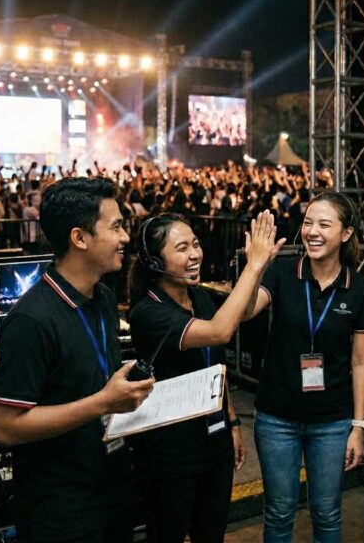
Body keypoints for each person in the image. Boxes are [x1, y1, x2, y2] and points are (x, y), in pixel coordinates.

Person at [0, 177, 155, 543]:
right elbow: (6, 427)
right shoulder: (31, 321)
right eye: (116, 227)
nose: (125, 237)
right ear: (79, 238)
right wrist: (103, 402)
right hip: (61, 510)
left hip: (112, 491)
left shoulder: (104, 299)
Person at [127, 209, 282, 543]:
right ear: (155, 262)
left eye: (195, 244)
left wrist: (232, 422)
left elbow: (215, 367)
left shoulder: (198, 296)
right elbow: (219, 332)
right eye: (182, 248)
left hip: (213, 440)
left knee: (211, 534)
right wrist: (252, 265)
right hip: (172, 451)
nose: (195, 254)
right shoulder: (148, 313)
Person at [241, 191, 364, 542]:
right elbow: (245, 311)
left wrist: (358, 426)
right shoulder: (283, 273)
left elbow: (362, 361)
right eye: (308, 223)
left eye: (324, 225)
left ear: (346, 233)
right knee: (279, 512)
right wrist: (255, 266)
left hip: (332, 421)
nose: (312, 232)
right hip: (277, 417)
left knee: (327, 513)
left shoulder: (360, 290)